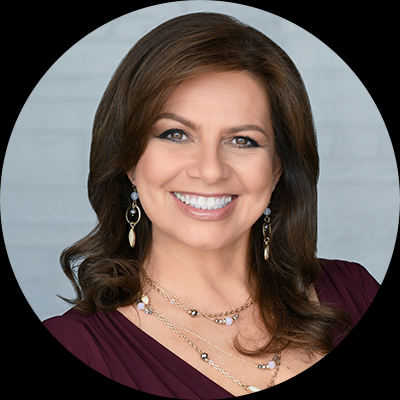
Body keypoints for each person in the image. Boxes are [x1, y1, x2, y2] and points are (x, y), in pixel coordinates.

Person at [43, 12, 379, 398]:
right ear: (129, 161)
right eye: (176, 134)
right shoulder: (77, 347)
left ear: (277, 168)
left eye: (242, 140)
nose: (210, 170)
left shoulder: (355, 294)